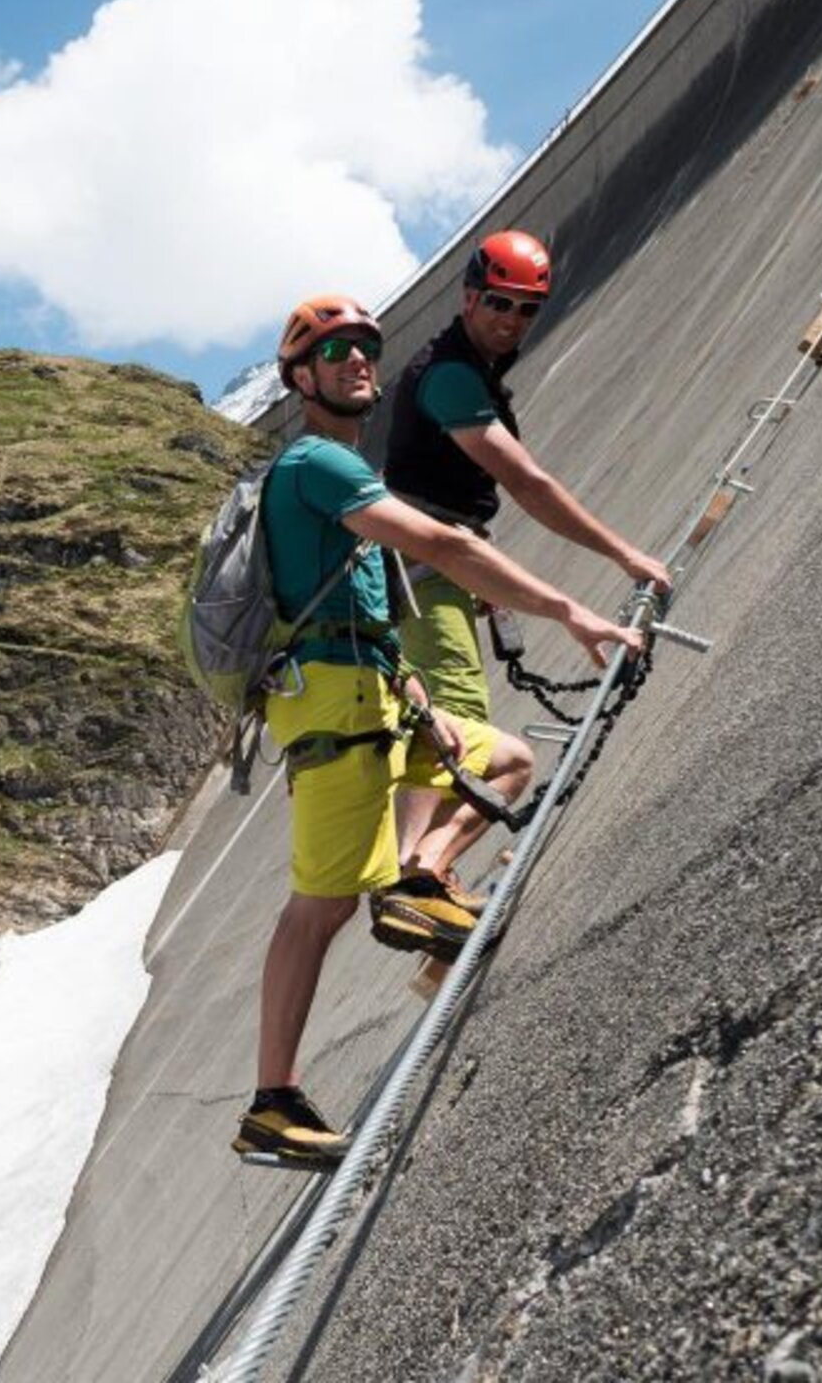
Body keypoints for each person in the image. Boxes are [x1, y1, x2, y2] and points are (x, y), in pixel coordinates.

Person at [235, 294, 642, 1166]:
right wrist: (569, 605)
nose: (356, 362)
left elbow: (363, 599)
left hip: (375, 696)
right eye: (334, 352)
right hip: (337, 713)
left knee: (506, 757)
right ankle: (272, 1102)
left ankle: (419, 881)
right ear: (301, 378)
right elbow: (442, 546)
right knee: (319, 907)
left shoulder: (338, 470)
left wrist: (412, 685)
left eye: (363, 350)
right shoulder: (319, 464)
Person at [384, 230, 672, 908]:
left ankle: (419, 871)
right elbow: (528, 484)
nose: (510, 320)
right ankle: (416, 876)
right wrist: (624, 555)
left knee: (449, 721)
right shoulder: (452, 376)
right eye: (499, 303)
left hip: (434, 560)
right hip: (428, 560)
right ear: (468, 297)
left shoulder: (460, 368)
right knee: (459, 723)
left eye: (524, 309)